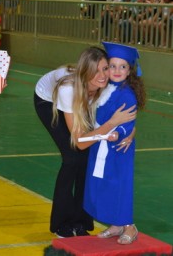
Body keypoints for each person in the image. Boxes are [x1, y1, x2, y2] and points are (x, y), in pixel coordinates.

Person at [34, 47, 136, 238]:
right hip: (48, 101)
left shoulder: (106, 83)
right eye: (95, 71)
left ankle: (81, 221)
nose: (103, 76)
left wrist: (130, 132)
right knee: (72, 158)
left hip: (83, 100)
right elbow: (80, 141)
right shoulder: (68, 90)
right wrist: (113, 123)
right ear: (85, 71)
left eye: (105, 68)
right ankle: (62, 224)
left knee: (87, 158)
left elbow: (129, 111)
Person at [84, 42, 146, 245]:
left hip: (118, 148)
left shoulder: (126, 94)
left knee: (119, 185)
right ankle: (116, 223)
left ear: (129, 71)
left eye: (123, 67)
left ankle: (129, 225)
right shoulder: (104, 88)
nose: (117, 71)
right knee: (104, 185)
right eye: (112, 66)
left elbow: (128, 121)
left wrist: (120, 134)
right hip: (99, 143)